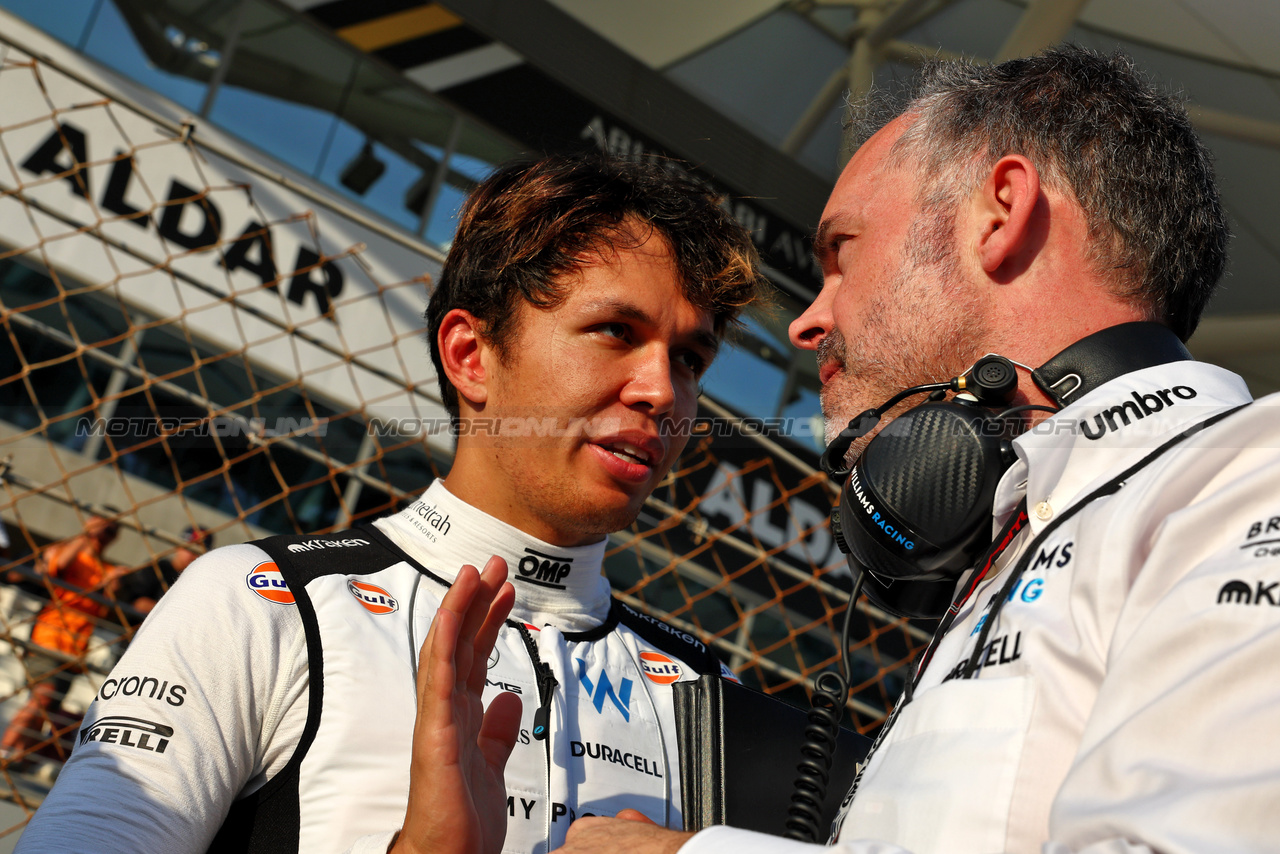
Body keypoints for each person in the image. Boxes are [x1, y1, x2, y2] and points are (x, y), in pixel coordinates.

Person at [547, 45, 1280, 854]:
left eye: (840, 254)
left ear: (1001, 213)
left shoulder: (1250, 480)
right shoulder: (1012, 533)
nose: (807, 321)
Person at [14, 153, 766, 853]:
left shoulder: (715, 696)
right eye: (614, 331)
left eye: (690, 359)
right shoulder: (262, 602)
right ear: (471, 356)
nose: (663, 391)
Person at [1, 515, 128, 765]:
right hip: (49, 638)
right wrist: (86, 535)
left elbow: (108, 606)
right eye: (102, 527)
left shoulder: (108, 570)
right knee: (43, 698)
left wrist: (115, 584)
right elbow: (55, 568)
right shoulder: (68, 552)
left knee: (44, 707)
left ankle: (14, 757)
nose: (104, 534)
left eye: (111, 531)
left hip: (76, 649)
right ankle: (5, 751)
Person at [115, 525, 213, 614]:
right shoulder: (157, 568)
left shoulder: (198, 583)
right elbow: (139, 603)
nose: (193, 555)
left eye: (200, 551)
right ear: (178, 546)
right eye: (190, 547)